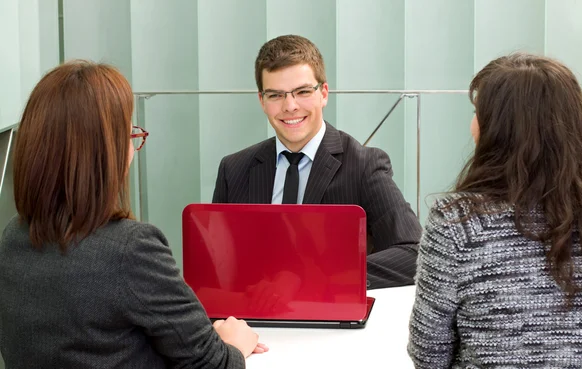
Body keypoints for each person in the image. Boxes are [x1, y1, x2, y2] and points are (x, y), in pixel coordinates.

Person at [0, 60, 267, 369]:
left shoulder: (12, 238)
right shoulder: (131, 248)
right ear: (105, 152)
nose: (132, 148)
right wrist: (235, 342)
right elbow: (212, 364)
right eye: (129, 135)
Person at [408, 53, 582, 368]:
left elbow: (429, 355)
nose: (472, 125)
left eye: (476, 113)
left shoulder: (456, 222)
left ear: (497, 128)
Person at [212, 35, 422, 289]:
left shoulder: (364, 165)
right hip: (253, 318)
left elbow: (414, 253)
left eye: (302, 92)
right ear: (262, 101)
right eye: (276, 95)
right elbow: (216, 266)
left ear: (323, 93)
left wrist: (317, 280)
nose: (290, 106)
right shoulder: (233, 170)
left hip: (331, 321)